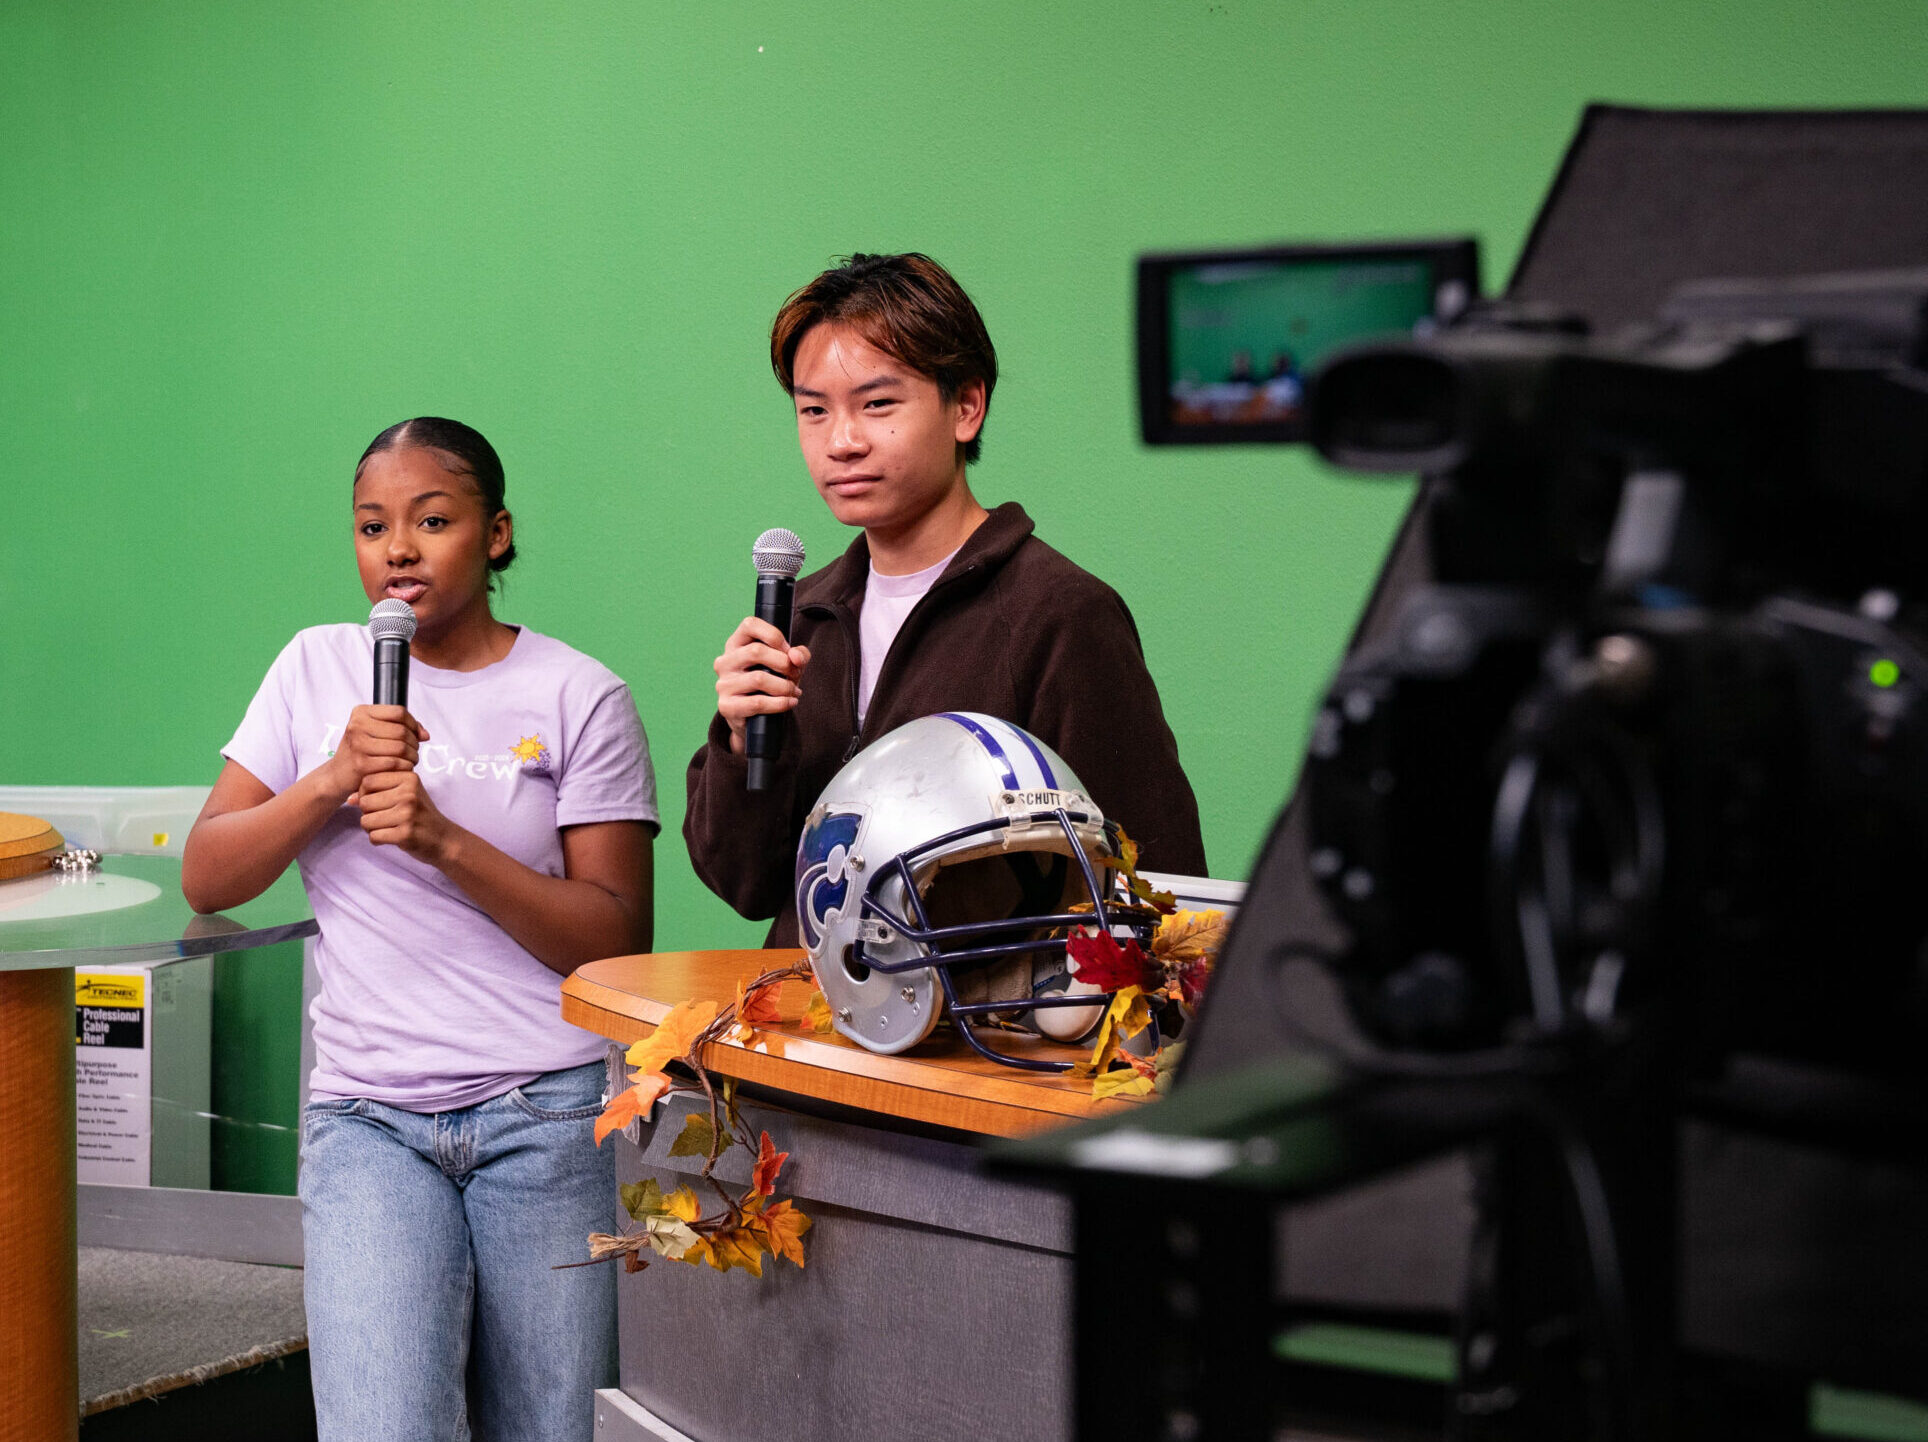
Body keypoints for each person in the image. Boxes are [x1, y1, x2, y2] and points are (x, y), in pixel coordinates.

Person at [181, 417, 657, 1442]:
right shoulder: (314, 669)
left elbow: (615, 940)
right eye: (371, 525)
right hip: (368, 1120)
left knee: (556, 1428)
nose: (396, 547)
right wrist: (332, 780)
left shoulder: (580, 693)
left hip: (551, 1111)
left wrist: (444, 839)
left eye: (431, 519)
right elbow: (209, 872)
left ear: (495, 534)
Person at [686, 252, 1206, 944]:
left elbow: (1151, 879)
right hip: (807, 1027)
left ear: (966, 407)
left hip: (983, 1038)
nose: (840, 441)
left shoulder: (1057, 613)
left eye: (877, 404)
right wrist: (739, 737)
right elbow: (745, 884)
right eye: (813, 411)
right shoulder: (805, 615)